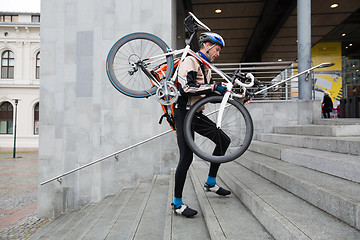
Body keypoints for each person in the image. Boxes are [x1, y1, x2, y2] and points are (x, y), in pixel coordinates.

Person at [172, 32, 231, 218]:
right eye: (217, 49)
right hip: (182, 113)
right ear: (206, 45)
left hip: (196, 113)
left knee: (223, 140)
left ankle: (210, 182)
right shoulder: (190, 60)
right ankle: (177, 203)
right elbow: (185, 89)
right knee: (186, 158)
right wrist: (213, 88)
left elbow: (206, 96)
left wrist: (227, 94)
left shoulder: (206, 68)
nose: (218, 54)